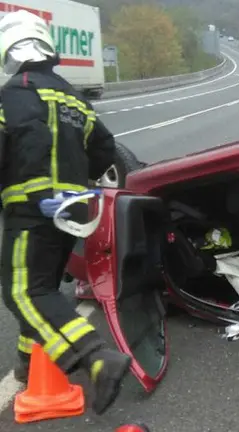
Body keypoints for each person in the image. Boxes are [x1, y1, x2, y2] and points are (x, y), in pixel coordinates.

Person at [0, 10, 131, 415]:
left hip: (30, 214)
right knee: (45, 288)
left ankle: (94, 357)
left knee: (24, 291)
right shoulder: (74, 97)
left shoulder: (10, 97)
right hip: (70, 215)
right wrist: (78, 182)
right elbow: (105, 150)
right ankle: (28, 363)